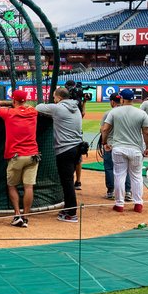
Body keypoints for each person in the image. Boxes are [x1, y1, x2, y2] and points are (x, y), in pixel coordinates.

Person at [36, 86, 84, 222]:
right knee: (68, 179)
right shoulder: (76, 107)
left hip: (65, 149)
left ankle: (71, 213)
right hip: (77, 148)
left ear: (59, 97)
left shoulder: (58, 108)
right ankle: (69, 207)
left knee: (67, 182)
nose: (54, 99)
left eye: (54, 97)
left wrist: (53, 105)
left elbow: (38, 107)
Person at [0, 89, 40, 227]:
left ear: (14, 100)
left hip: (16, 156)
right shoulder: (33, 112)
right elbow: (30, 105)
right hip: (33, 155)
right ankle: (25, 218)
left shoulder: (9, 113)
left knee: (12, 186)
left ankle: (17, 215)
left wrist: (8, 103)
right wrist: (19, 103)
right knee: (29, 187)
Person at [99, 88, 148, 214]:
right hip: (136, 149)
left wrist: (104, 143)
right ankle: (138, 203)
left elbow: (105, 129)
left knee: (119, 175)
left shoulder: (114, 112)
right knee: (136, 176)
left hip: (118, 148)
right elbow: (147, 133)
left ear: (122, 99)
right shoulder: (142, 113)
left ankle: (119, 204)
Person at [98, 93, 130, 201]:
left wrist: (104, 142)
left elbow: (103, 130)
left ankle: (110, 192)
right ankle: (128, 192)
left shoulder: (108, 113)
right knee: (126, 168)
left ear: (112, 102)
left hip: (110, 145)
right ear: (121, 100)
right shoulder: (128, 112)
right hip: (125, 144)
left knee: (109, 168)